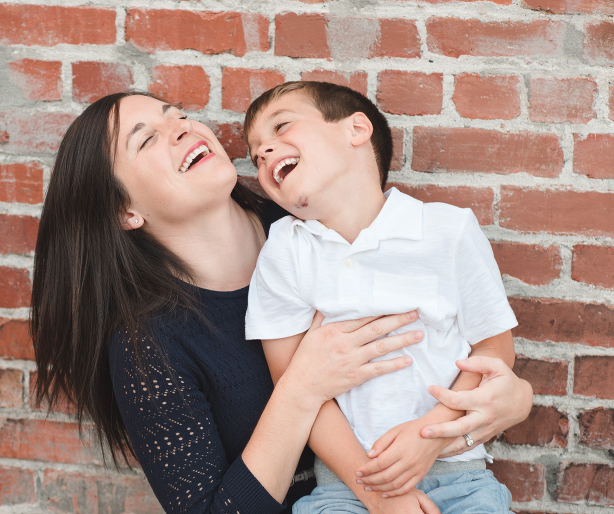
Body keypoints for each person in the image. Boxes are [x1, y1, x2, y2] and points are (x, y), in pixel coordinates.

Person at [30, 90, 534, 514]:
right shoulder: (149, 346)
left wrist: (506, 403)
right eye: (148, 139)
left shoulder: (315, 228)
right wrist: (301, 389)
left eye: (177, 115)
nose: (181, 128)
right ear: (125, 211)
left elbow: (483, 356)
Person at [243, 81, 517, 513]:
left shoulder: (448, 230)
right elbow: (294, 386)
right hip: (345, 487)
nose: (264, 154)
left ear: (356, 130)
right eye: (256, 154)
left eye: (281, 127)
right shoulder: (284, 248)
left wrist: (430, 435)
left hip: (460, 478)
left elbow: (495, 351)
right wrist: (379, 495)